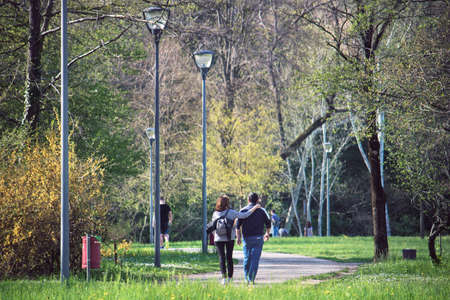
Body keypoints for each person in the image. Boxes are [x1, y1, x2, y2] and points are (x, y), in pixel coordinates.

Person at [211, 195, 261, 285]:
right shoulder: (231, 212)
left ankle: (224, 278)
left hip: (218, 239)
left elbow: (213, 227)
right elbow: (245, 215)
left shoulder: (215, 213)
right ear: (227, 203)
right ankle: (230, 278)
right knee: (229, 257)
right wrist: (255, 207)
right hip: (229, 237)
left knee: (221, 258)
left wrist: (216, 236)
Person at [236, 192, 271, 285]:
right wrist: (267, 233)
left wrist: (238, 237)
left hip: (246, 238)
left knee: (247, 258)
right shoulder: (262, 210)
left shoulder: (243, 210)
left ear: (248, 200)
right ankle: (251, 279)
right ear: (258, 200)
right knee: (255, 259)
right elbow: (268, 223)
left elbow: (237, 225)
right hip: (258, 238)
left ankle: (246, 277)